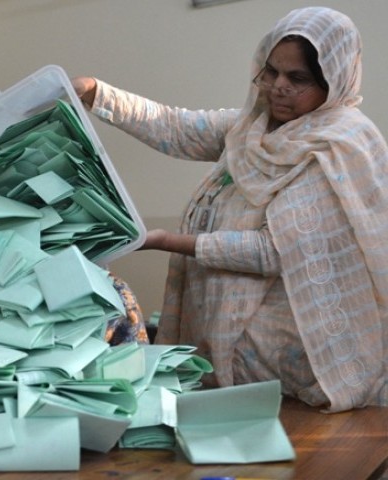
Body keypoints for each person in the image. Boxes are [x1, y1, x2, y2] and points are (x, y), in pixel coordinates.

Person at [72, 7, 388, 412]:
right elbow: (176, 127)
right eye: (271, 71)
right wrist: (97, 93)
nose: (277, 87)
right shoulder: (253, 126)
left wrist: (167, 240)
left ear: (335, 81)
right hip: (230, 337)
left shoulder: (336, 146)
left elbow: (273, 250)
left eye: (298, 79)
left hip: (290, 356)